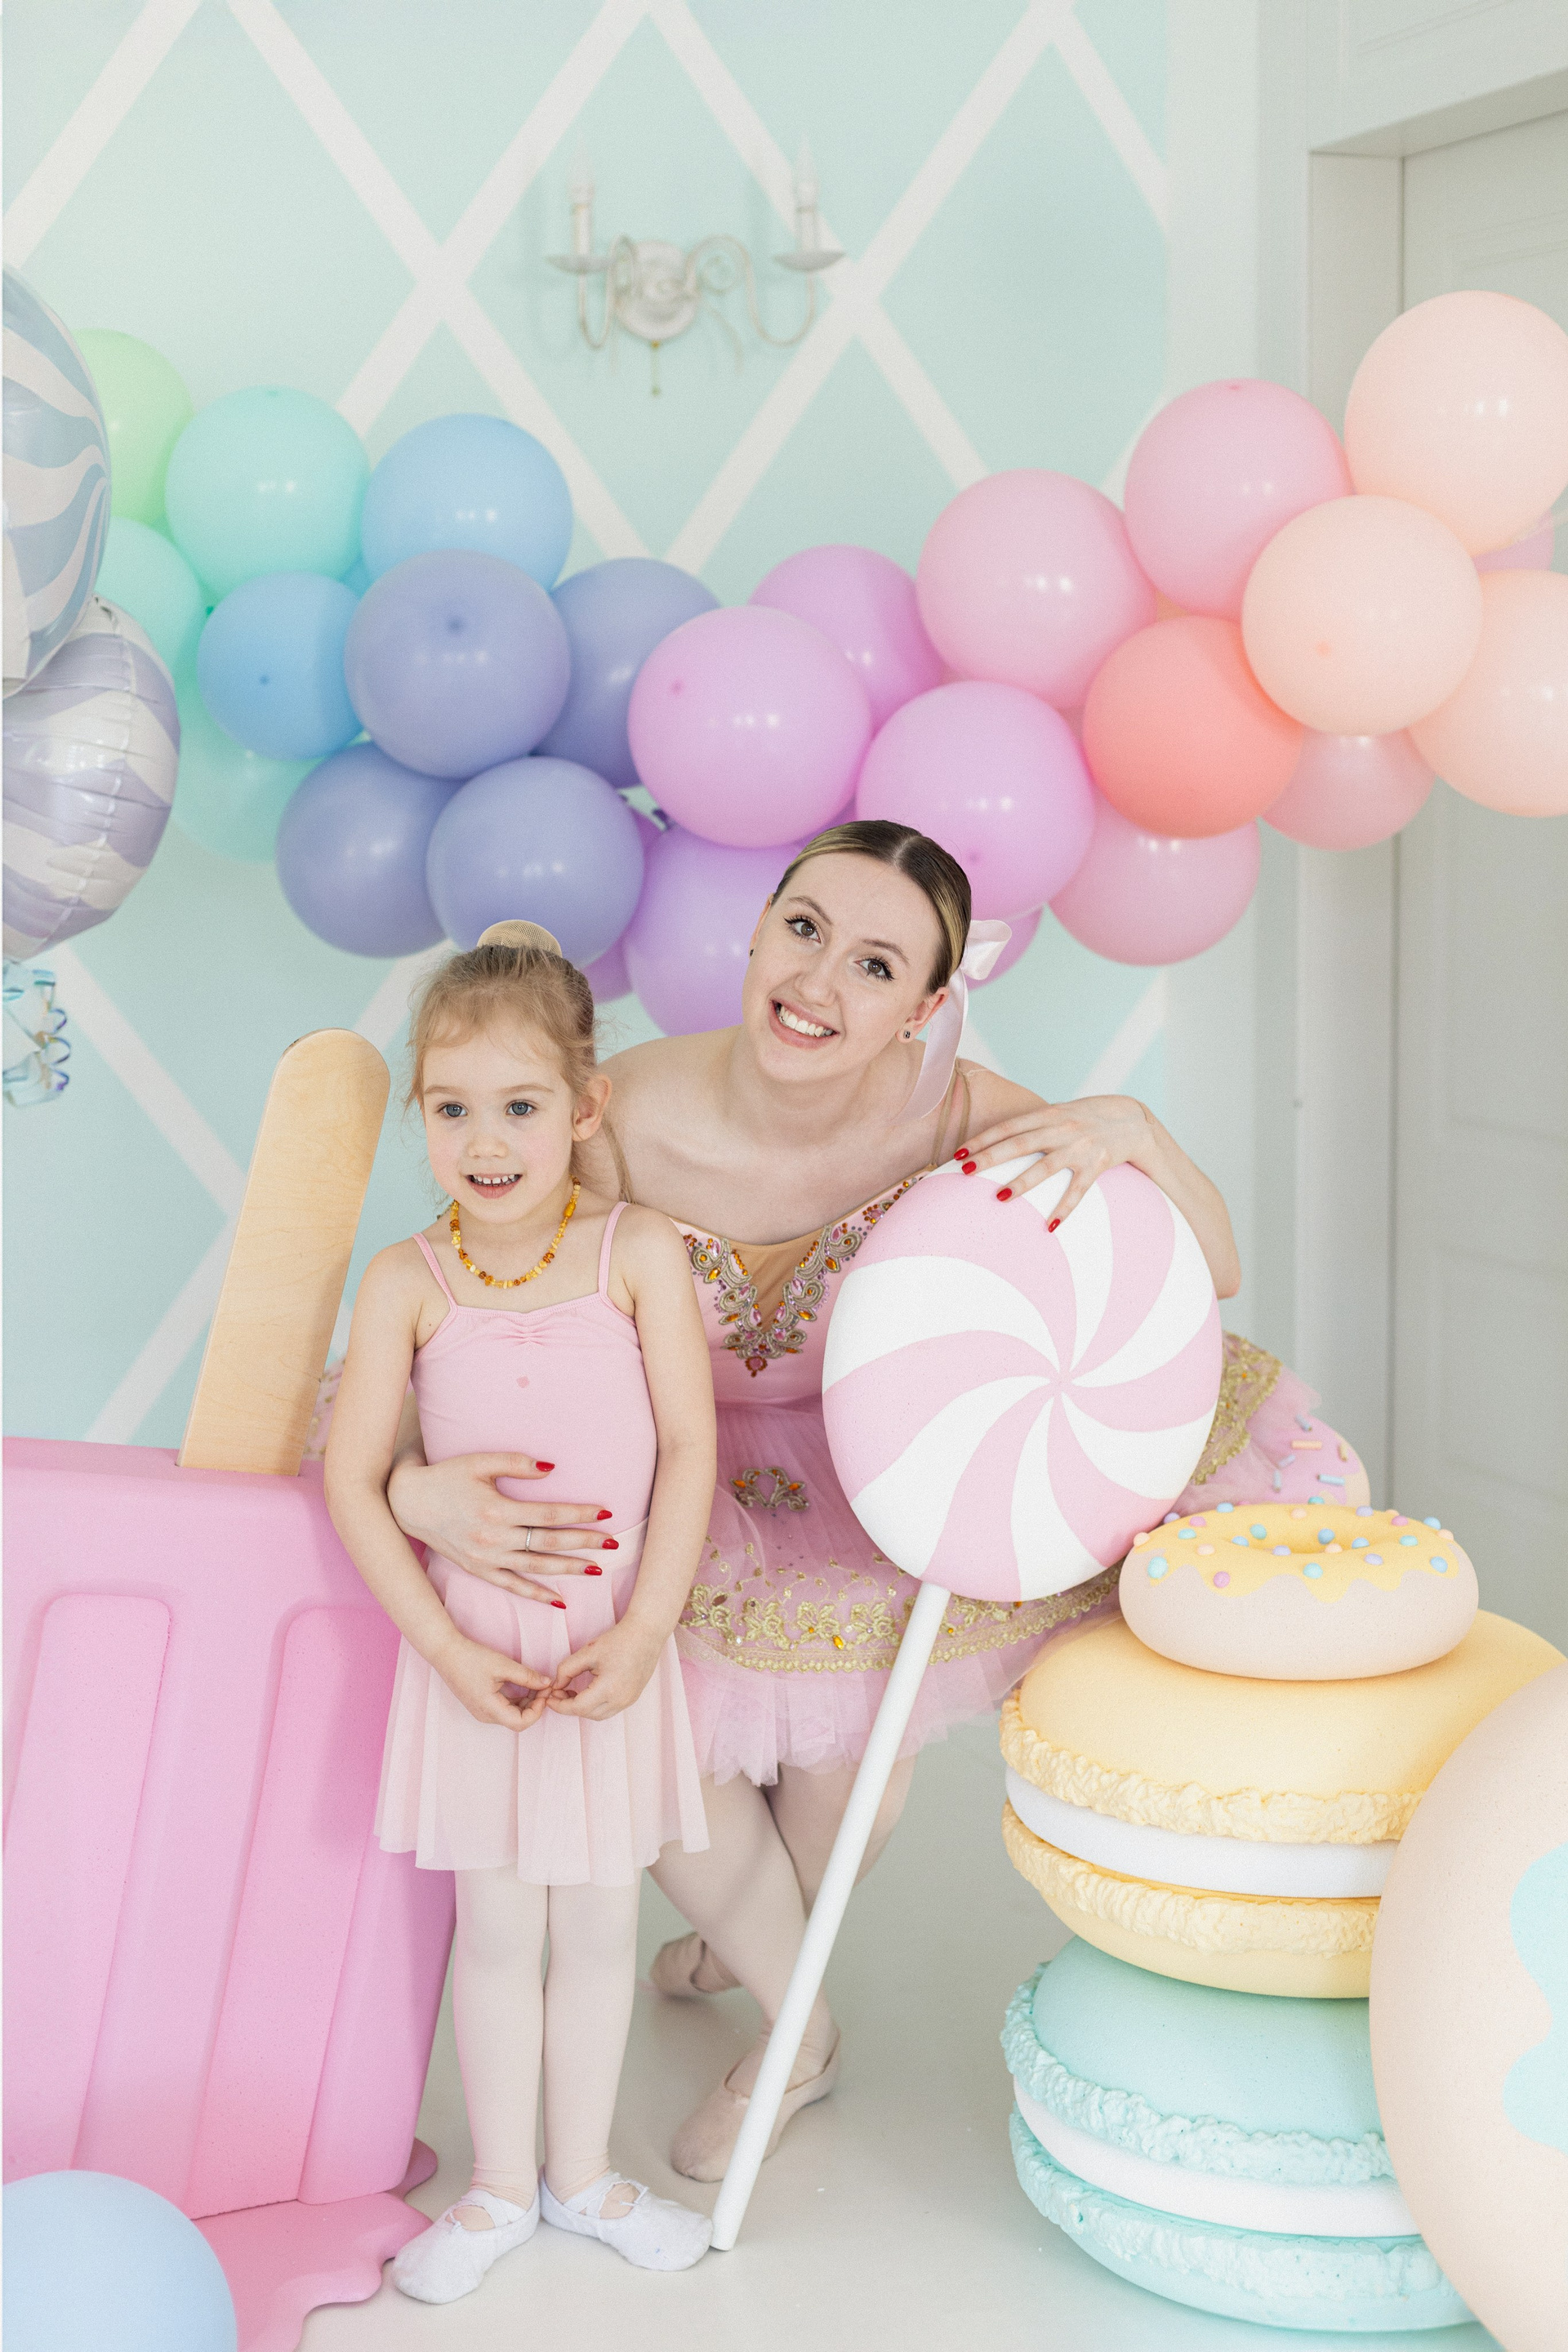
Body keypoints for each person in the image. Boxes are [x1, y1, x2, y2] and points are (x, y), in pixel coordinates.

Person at [383, 822, 1242, 2181]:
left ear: (927, 1008)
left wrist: (1134, 1130)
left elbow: (1215, 1263)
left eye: (876, 964)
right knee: (664, 1751)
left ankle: (748, 1942)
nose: (818, 982)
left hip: (865, 1472)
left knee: (861, 1782)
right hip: (657, 1474)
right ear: (758, 926)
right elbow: (501, 1312)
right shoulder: (626, 1115)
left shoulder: (959, 1114)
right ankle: (802, 2036)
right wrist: (411, 1479)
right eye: (803, 929)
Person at [324, 921, 717, 2305]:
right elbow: (354, 1480)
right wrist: (443, 1647)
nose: (485, 1141)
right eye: (451, 1109)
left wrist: (646, 1630)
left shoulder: (636, 1252)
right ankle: (497, 2188)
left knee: (600, 1925)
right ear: (421, 1114)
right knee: (497, 1929)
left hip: (610, 1645)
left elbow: (691, 1448)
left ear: (584, 1107)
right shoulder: (406, 1280)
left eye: (520, 1106)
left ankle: (584, 2177)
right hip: (477, 1658)